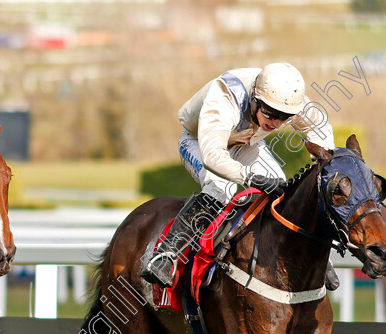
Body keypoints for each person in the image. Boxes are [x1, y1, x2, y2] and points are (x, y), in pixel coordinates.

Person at [141, 62, 340, 290]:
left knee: (282, 191)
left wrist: (327, 160)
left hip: (244, 143)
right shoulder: (225, 98)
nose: (275, 122)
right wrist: (249, 177)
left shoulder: (287, 98)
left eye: (283, 117)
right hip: (200, 142)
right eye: (270, 113)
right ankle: (166, 255)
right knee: (220, 189)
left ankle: (315, 257)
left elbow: (319, 128)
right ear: (255, 97)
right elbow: (213, 156)